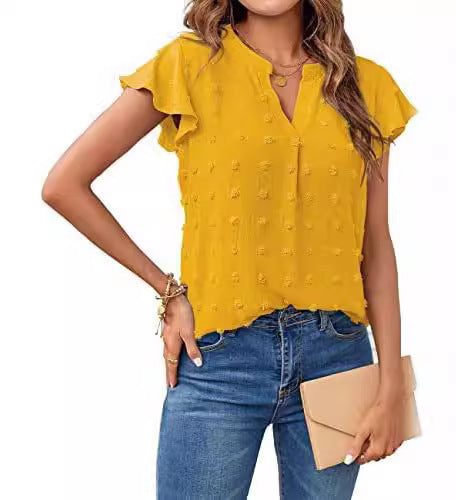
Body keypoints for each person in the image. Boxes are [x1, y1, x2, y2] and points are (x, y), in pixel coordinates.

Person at [41, 1, 418, 498]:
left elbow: (376, 243)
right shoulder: (187, 65)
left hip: (337, 358)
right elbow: (64, 186)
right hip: (218, 361)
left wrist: (391, 384)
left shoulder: (365, 86)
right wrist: (168, 290)